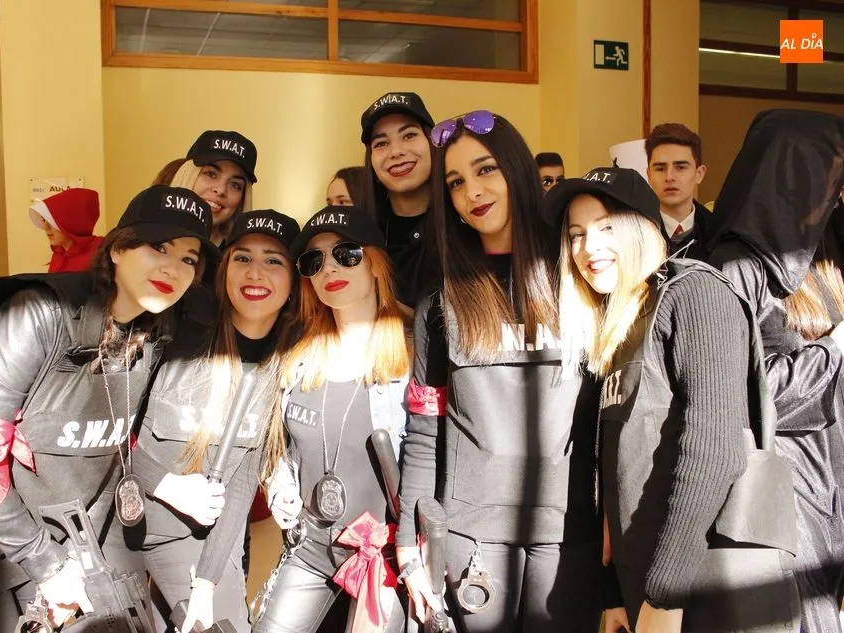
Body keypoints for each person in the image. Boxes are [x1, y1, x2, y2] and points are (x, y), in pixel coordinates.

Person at [0, 185, 217, 632]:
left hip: (60, 534)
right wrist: (46, 564)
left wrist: (167, 485)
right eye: (158, 246)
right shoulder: (36, 314)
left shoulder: (154, 331)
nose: (173, 267)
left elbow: (115, 437)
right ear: (118, 249)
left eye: (189, 258)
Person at [544, 166, 800, 633]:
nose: (588, 248)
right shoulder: (620, 324)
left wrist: (664, 594)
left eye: (606, 228)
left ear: (643, 228)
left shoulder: (696, 293)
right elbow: (618, 469)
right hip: (642, 585)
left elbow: (714, 450)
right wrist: (617, 593)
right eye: (576, 234)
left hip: (702, 589)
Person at [395, 111, 600, 633]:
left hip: (569, 530)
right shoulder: (442, 300)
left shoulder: (581, 279)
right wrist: (408, 543)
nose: (472, 192)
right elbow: (424, 430)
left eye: (486, 169)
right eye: (455, 182)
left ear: (517, 170)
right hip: (472, 536)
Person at [705, 109, 844, 633]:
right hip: (782, 486)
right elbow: (744, 390)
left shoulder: (822, 252)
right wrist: (835, 348)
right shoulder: (735, 266)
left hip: (829, 473)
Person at [131, 209, 300, 633]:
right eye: (242, 258)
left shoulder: (284, 362)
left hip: (195, 541)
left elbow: (242, 483)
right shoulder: (177, 333)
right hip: (125, 523)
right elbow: (112, 436)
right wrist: (168, 485)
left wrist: (206, 583)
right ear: (223, 269)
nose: (255, 273)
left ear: (294, 282)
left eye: (273, 260)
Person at [255, 205, 410, 633]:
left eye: (346, 254)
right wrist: (280, 485)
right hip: (309, 546)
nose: (329, 268)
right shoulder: (299, 355)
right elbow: (281, 444)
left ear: (375, 262)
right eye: (313, 260)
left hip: (381, 553)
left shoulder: (412, 354)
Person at [361, 91, 438, 313]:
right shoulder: (361, 237)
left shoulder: (466, 221)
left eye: (409, 135)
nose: (395, 152)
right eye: (381, 143)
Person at [155, 130, 257, 245]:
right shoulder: (145, 238)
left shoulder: (236, 253)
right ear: (187, 175)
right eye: (211, 174)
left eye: (235, 185)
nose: (221, 190)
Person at [644, 123, 712, 259]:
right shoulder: (631, 232)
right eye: (660, 168)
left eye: (680, 167)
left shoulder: (718, 232)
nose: (669, 177)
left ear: (699, 174)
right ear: (649, 175)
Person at [28, 188, 104, 273]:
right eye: (44, 220)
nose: (46, 227)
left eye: (52, 221)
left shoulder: (101, 252)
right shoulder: (59, 253)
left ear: (70, 221)